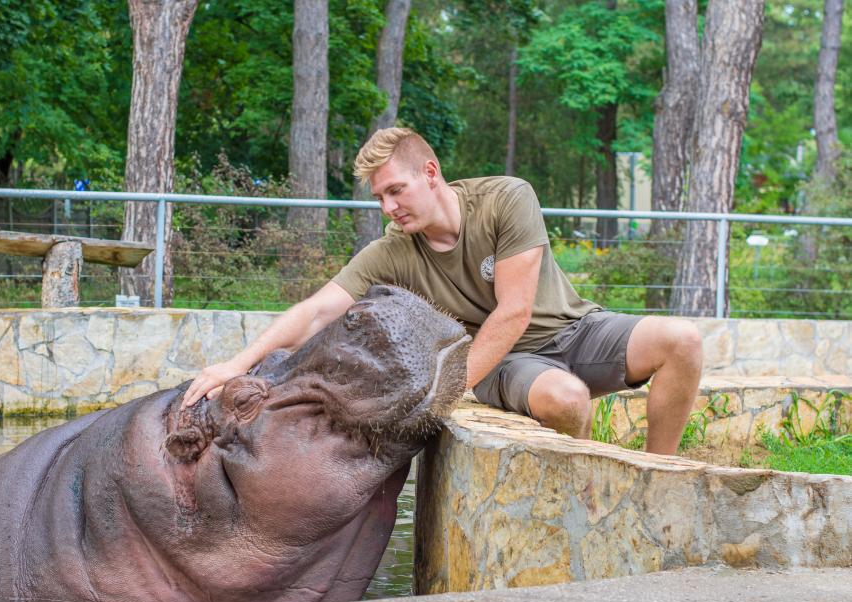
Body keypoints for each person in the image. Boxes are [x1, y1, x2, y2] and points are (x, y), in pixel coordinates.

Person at [182, 127, 703, 455]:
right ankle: (584, 487)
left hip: (577, 328)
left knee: (683, 340)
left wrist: (440, 396)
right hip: (502, 361)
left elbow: (515, 310)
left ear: (429, 173)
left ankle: (658, 470)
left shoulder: (506, 199)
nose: (388, 208)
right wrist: (238, 363)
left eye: (395, 190)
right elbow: (317, 309)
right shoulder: (392, 252)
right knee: (566, 399)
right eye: (380, 197)